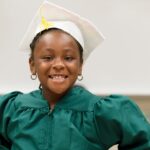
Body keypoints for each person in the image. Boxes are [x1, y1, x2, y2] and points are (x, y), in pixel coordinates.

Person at [0, 1, 150, 150]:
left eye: (68, 58)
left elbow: (143, 142)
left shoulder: (99, 113)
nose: (58, 64)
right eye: (47, 57)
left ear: (80, 66)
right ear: (32, 65)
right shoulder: (13, 109)